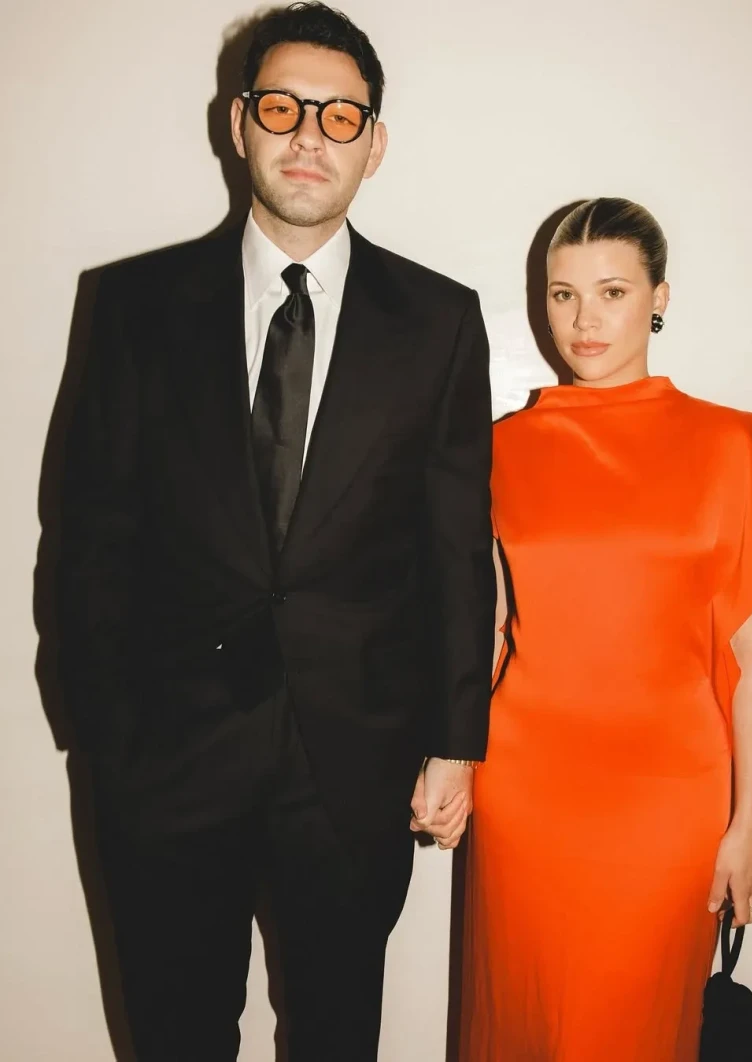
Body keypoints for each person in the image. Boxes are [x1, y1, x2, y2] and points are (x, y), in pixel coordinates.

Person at [57, 4, 495, 1059]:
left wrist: (455, 741)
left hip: (352, 765)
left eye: (340, 116)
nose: (309, 136)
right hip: (164, 759)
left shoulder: (438, 321)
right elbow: (85, 533)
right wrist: (101, 731)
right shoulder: (132, 306)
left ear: (373, 145)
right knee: (175, 1038)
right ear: (239, 123)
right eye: (284, 108)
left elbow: (454, 547)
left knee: (337, 1038)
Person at [461, 197, 752, 1061]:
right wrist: (451, 759)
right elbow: (487, 633)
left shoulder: (731, 446)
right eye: (563, 295)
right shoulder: (500, 450)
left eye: (612, 292)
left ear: (659, 297)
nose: (584, 320)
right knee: (522, 1024)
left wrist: (751, 823)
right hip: (526, 795)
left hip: (668, 803)